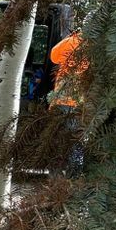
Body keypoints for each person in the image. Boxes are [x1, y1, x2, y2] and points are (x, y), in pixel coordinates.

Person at [50, 31, 88, 175]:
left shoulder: (72, 40)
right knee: (76, 143)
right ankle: (74, 181)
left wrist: (71, 37)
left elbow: (54, 56)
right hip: (80, 103)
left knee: (57, 141)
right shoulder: (95, 44)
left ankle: (55, 180)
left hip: (60, 99)